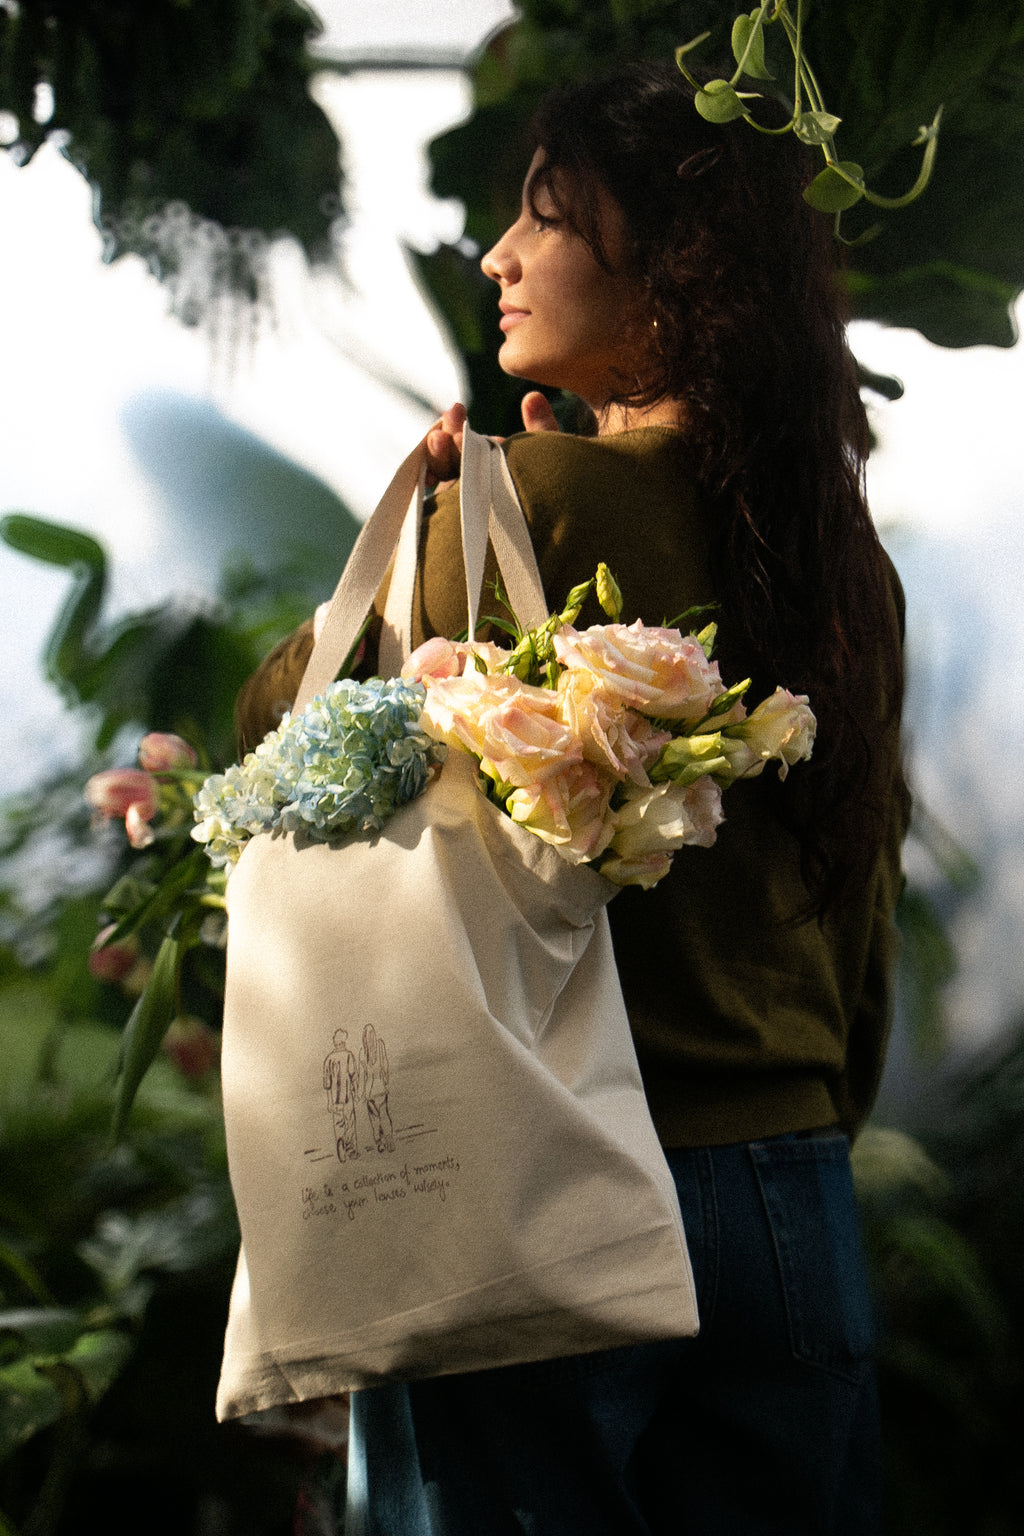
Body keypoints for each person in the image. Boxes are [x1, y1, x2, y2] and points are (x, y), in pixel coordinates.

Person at [236, 60, 909, 1536]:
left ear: (673, 266)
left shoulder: (529, 496)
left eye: (544, 219)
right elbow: (863, 900)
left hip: (537, 1174)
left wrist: (422, 515)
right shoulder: (846, 562)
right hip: (789, 1188)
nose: (498, 256)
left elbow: (295, 725)